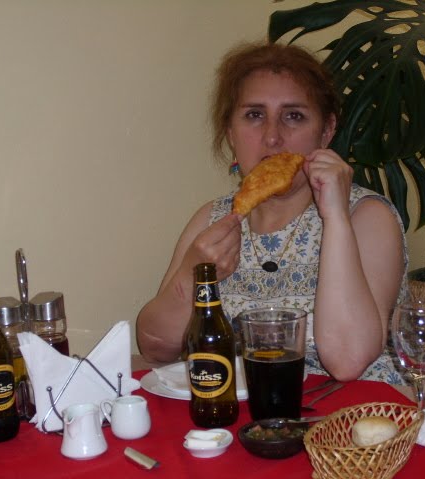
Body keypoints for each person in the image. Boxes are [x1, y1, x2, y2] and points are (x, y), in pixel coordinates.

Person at [136, 41, 408, 385]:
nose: (273, 137)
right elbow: (155, 348)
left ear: (326, 131)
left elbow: (348, 361)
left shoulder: (365, 216)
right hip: (237, 409)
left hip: (351, 412)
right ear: (231, 133)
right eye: (254, 115)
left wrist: (335, 218)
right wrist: (193, 275)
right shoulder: (212, 218)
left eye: (293, 116)